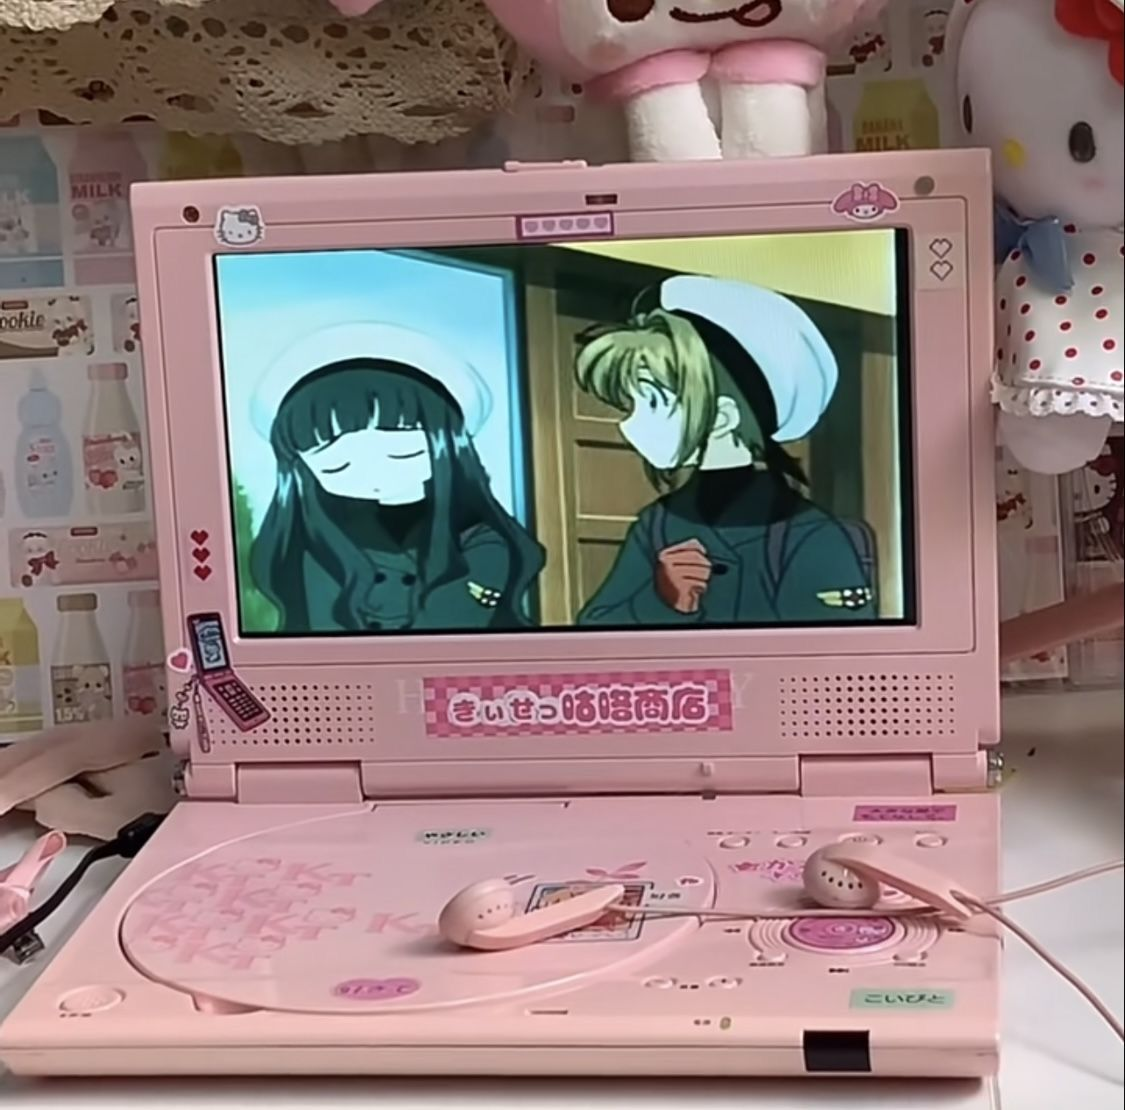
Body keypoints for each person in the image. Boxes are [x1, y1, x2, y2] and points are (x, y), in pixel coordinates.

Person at [574, 275, 877, 627]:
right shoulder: (656, 523)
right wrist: (660, 602)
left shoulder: (810, 533)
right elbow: (592, 629)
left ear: (722, 417)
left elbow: (838, 648)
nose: (628, 424)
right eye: (629, 405)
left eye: (653, 403)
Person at [247, 322, 544, 633]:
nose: (374, 476)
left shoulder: (482, 541)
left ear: (448, 448)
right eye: (337, 466)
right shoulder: (313, 545)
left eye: (402, 454)